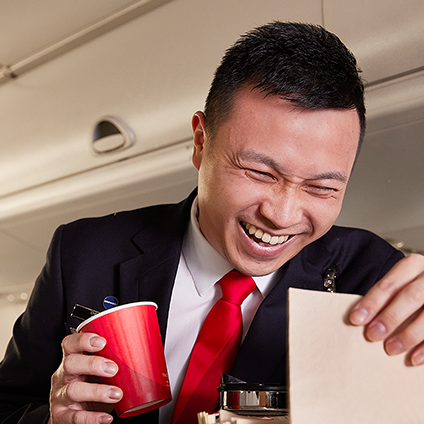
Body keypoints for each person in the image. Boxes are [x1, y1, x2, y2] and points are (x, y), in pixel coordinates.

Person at [1, 21, 424, 424]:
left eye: (321, 188)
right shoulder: (84, 252)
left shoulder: (375, 279)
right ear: (201, 142)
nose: (282, 215)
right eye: (260, 173)